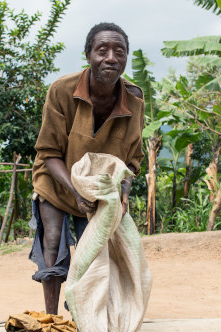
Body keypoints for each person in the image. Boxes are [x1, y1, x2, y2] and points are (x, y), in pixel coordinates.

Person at [29, 22, 145, 314]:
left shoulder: (134, 100)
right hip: (58, 181)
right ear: (88, 54)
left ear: (126, 57)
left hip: (98, 189)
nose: (110, 57)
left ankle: (84, 317)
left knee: (94, 252)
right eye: (101, 50)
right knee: (53, 243)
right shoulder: (62, 91)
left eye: (119, 51)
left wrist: (122, 192)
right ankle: (51, 319)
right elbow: (49, 152)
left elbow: (132, 159)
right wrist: (75, 191)